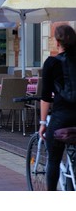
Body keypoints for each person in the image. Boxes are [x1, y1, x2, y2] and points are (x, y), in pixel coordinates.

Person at [39, 24, 76, 190]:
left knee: (53, 159)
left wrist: (42, 123)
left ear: (56, 41)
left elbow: (46, 97)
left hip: (61, 117)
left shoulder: (51, 63)